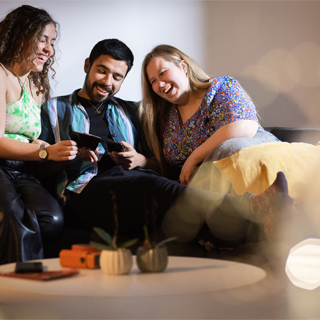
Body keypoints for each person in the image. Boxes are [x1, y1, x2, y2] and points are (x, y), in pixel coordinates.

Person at [40, 39, 294, 250]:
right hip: (84, 190)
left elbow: (158, 162)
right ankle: (251, 206)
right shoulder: (53, 108)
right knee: (152, 185)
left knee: (170, 205)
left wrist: (140, 160)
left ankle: (255, 233)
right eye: (102, 70)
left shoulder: (133, 113)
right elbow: (37, 166)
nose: (108, 81)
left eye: (117, 76)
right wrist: (63, 154)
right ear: (87, 65)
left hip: (132, 183)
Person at [0, 5, 79, 264]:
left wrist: (48, 145)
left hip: (23, 168)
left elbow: (25, 134)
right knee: (13, 218)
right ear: (19, 36)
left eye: (52, 42)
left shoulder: (35, 83)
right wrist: (44, 151)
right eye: (42, 39)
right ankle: (19, 290)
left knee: (52, 220)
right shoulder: (1, 75)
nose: (49, 49)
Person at [140, 44, 279, 185]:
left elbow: (244, 126)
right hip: (204, 190)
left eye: (162, 73)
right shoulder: (165, 117)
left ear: (183, 66)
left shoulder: (221, 87)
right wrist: (143, 161)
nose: (161, 84)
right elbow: (169, 168)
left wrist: (194, 158)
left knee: (231, 146)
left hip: (254, 167)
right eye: (153, 81)